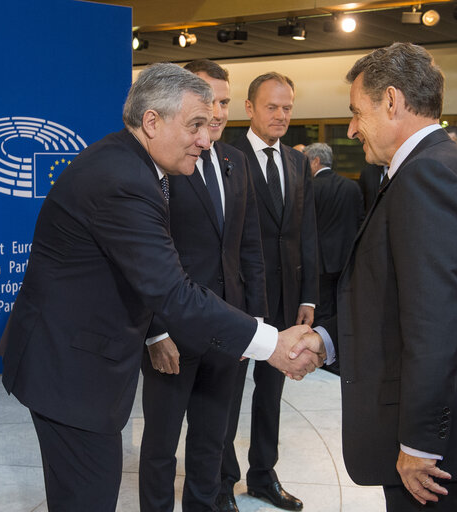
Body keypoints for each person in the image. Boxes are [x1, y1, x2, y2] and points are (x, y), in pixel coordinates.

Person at [0, 63, 324, 512]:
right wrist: (270, 342)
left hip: (79, 365)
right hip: (69, 372)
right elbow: (173, 291)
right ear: (152, 121)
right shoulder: (123, 180)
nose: (207, 139)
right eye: (194, 125)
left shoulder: (134, 164)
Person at [297, 42, 457, 511]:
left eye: (355, 112)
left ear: (391, 101)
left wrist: (420, 443)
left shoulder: (429, 174)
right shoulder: (436, 166)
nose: (350, 129)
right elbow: (397, 301)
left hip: (436, 445)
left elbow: (435, 322)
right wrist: (328, 340)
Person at [137, 59, 268, 512]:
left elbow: (248, 247)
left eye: (224, 102)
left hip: (227, 329)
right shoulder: (163, 164)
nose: (217, 111)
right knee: (160, 445)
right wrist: (155, 332)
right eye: (207, 100)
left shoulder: (235, 161)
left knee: (213, 440)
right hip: (173, 331)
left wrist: (254, 321)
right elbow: (145, 260)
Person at [219, 72, 319, 512]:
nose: (281, 115)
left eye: (287, 107)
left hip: (286, 300)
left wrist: (309, 297)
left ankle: (263, 475)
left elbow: (306, 233)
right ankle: (221, 484)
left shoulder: (298, 162)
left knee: (271, 395)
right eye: (272, 107)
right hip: (237, 302)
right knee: (225, 396)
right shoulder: (225, 155)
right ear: (250, 109)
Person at [304, 143, 362, 327]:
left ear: (316, 161)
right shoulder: (351, 186)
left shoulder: (309, 188)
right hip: (346, 259)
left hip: (319, 261)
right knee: (343, 308)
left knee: (321, 311)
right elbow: (360, 221)